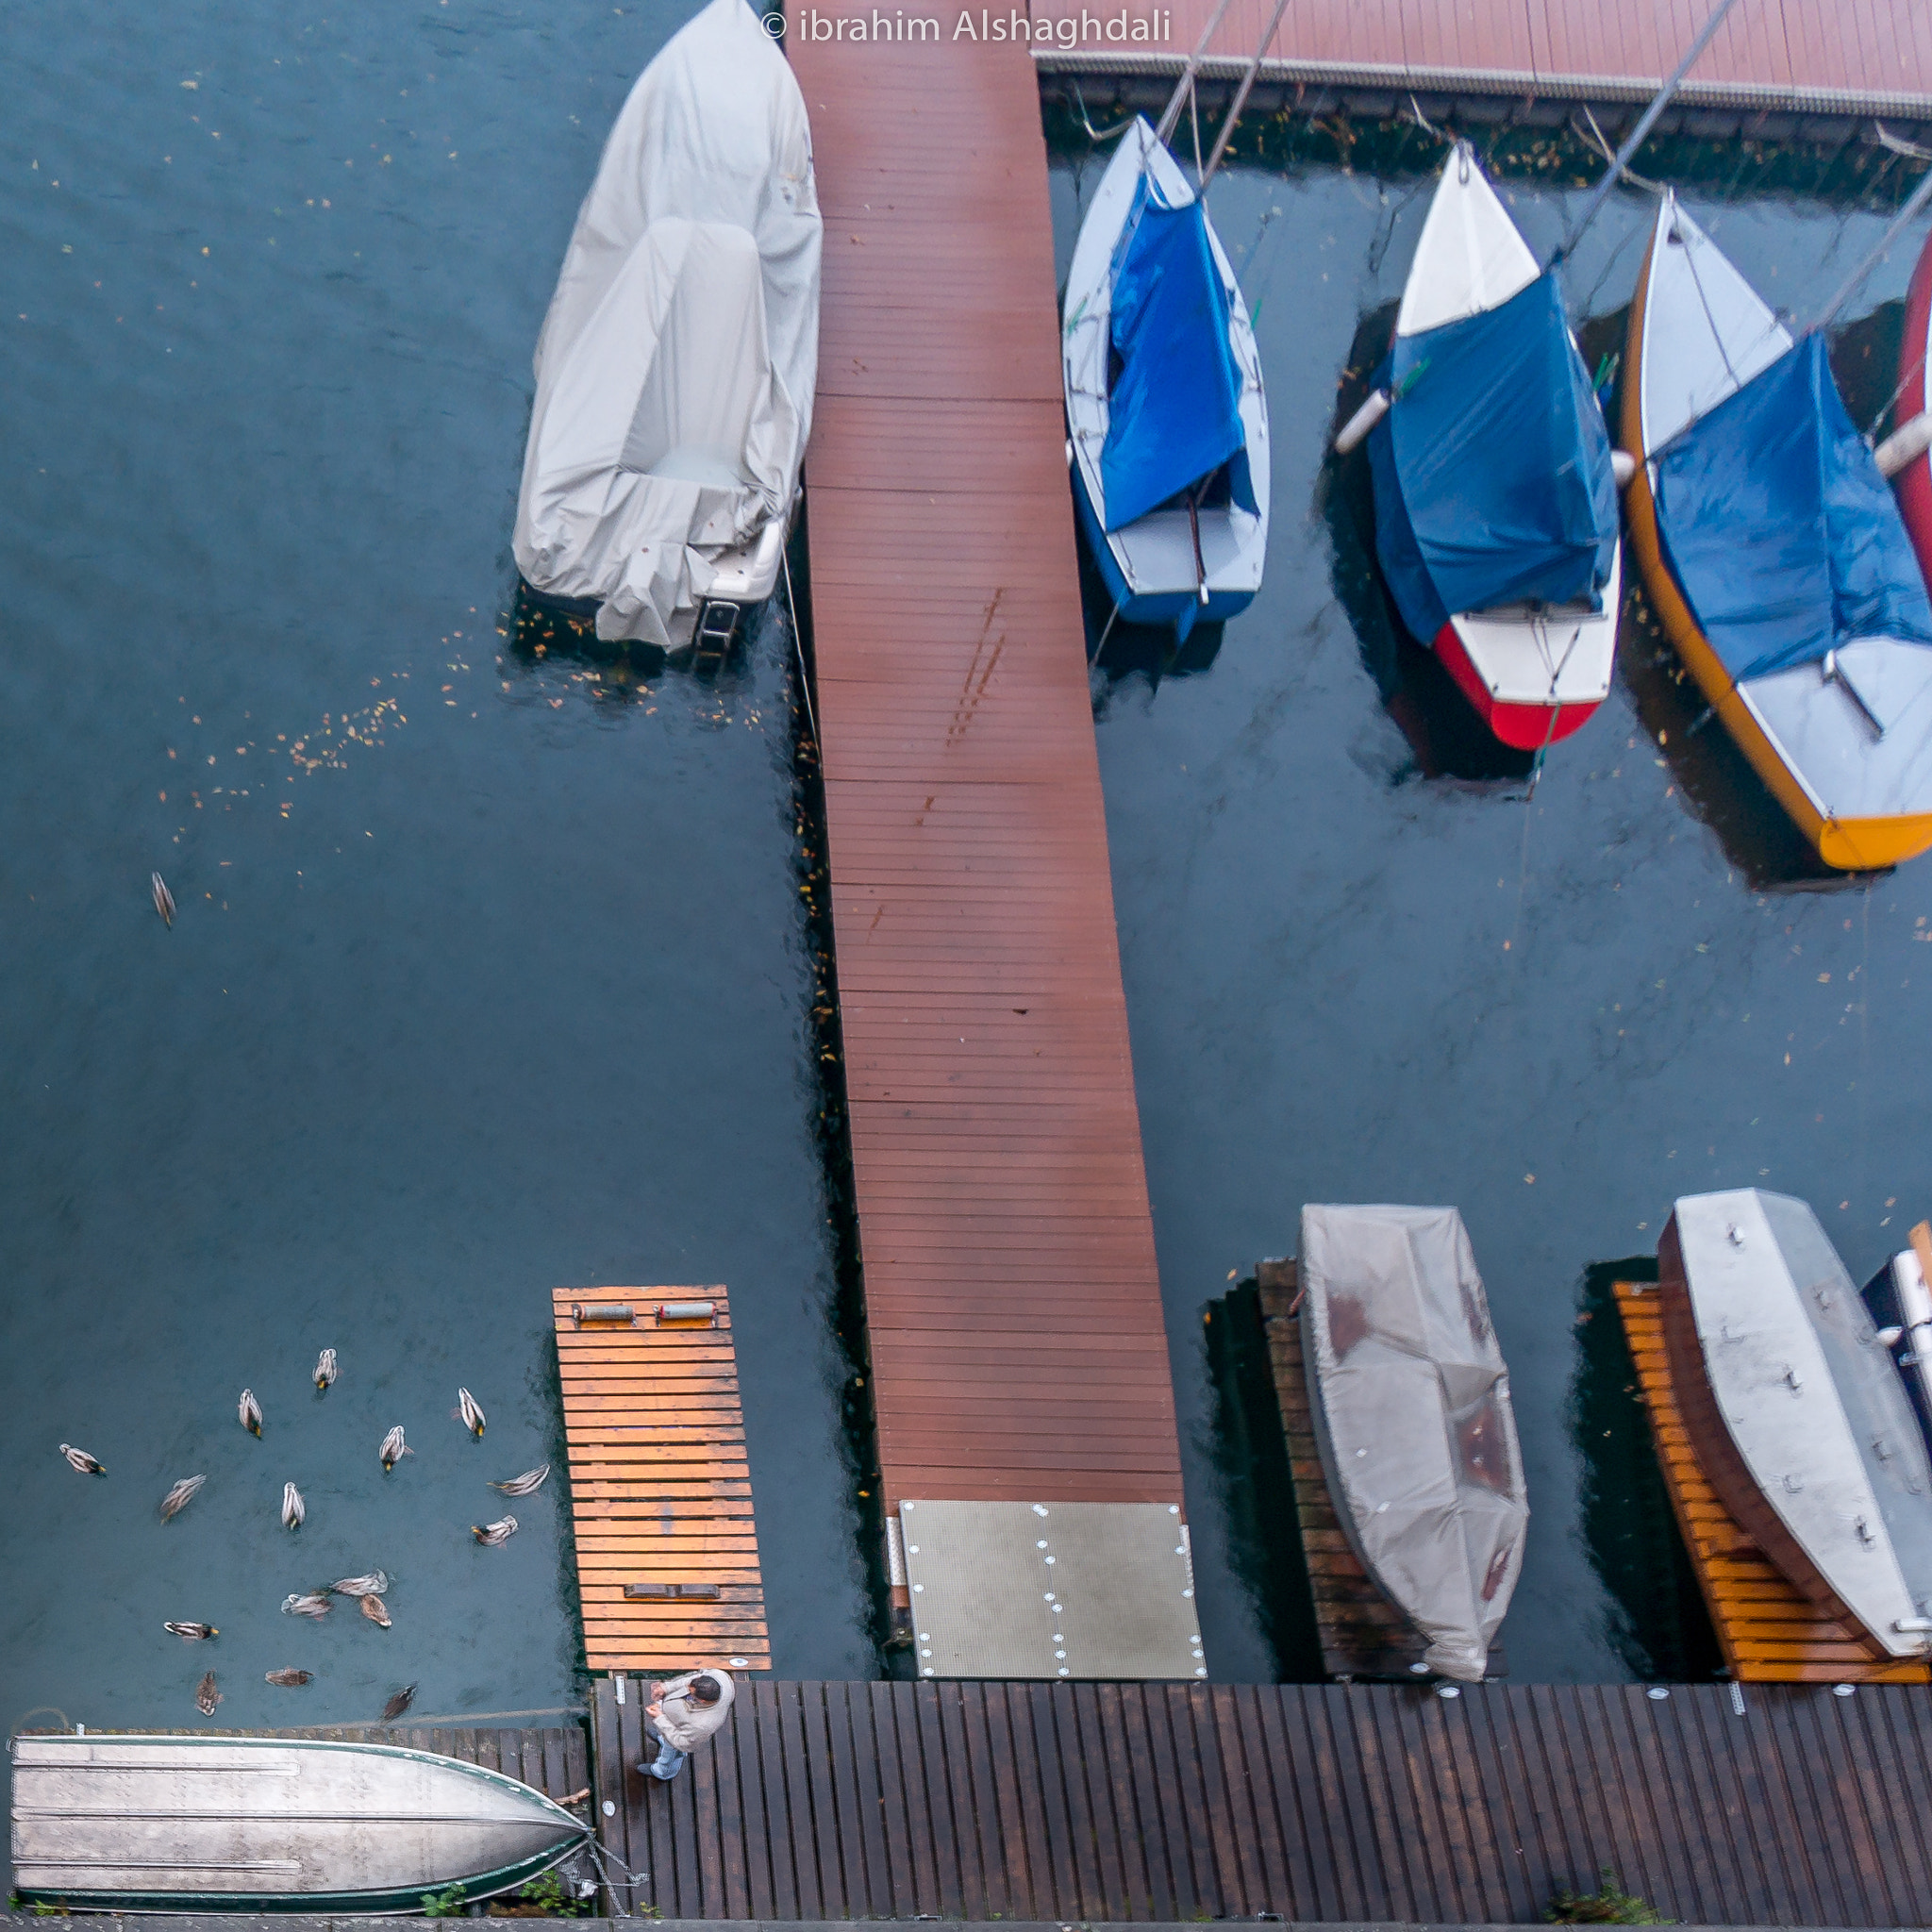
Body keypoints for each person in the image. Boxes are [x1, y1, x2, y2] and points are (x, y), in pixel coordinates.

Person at [638, 1667, 735, 1782]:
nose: (686, 1688)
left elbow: (682, 1743)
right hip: (671, 1722)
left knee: (673, 1752)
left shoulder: (702, 1725)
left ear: (702, 1701)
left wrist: (659, 1718)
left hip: (680, 1735)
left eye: (691, 1692)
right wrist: (666, 1688)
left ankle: (663, 1772)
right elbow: (690, 1679)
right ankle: (663, 1739)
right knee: (667, 1738)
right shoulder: (718, 1675)